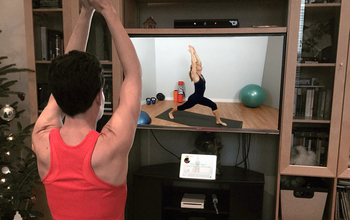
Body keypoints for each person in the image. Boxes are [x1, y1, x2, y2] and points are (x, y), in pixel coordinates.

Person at [31, 0, 142, 219]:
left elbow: (66, 76)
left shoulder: (42, 140)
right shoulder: (110, 146)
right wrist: (108, 11)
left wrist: (85, 12)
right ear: (100, 97)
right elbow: (133, 75)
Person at [169, 45, 227, 126]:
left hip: (200, 98)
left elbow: (199, 61)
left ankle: (218, 121)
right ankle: (171, 112)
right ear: (195, 69)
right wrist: (191, 53)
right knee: (182, 107)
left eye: (199, 65)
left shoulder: (200, 74)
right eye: (197, 65)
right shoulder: (195, 76)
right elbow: (193, 63)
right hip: (194, 98)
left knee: (213, 105)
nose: (200, 65)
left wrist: (195, 52)